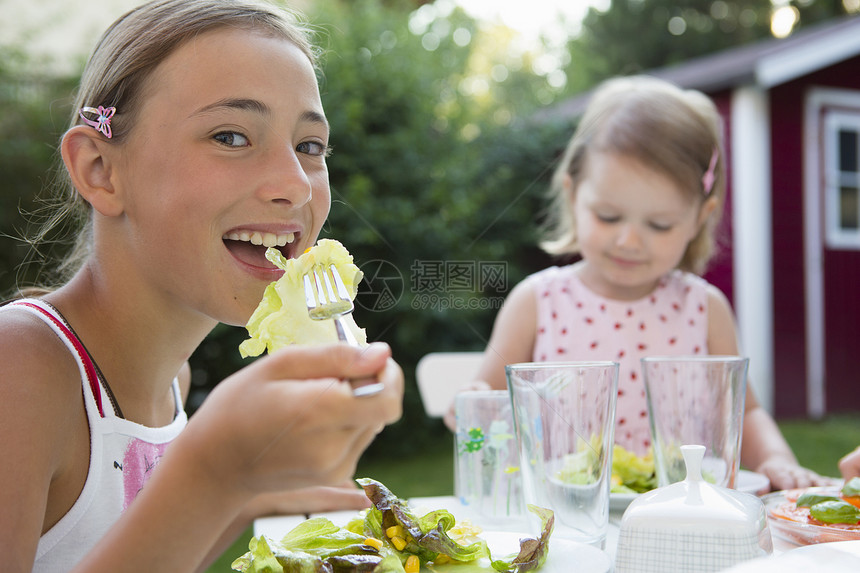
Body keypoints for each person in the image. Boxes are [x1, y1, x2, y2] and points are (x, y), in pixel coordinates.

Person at [0, 1, 404, 571]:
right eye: (231, 136)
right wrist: (212, 473)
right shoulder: (20, 367)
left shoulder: (171, 380)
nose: (295, 185)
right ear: (99, 169)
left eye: (310, 146)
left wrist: (245, 492)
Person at [445, 75, 828, 492]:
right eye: (608, 217)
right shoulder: (537, 302)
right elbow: (491, 403)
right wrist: (472, 402)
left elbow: (745, 412)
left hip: (682, 521)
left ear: (700, 216)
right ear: (574, 195)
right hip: (563, 522)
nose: (628, 240)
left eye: (660, 225)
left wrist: (775, 458)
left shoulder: (704, 308)